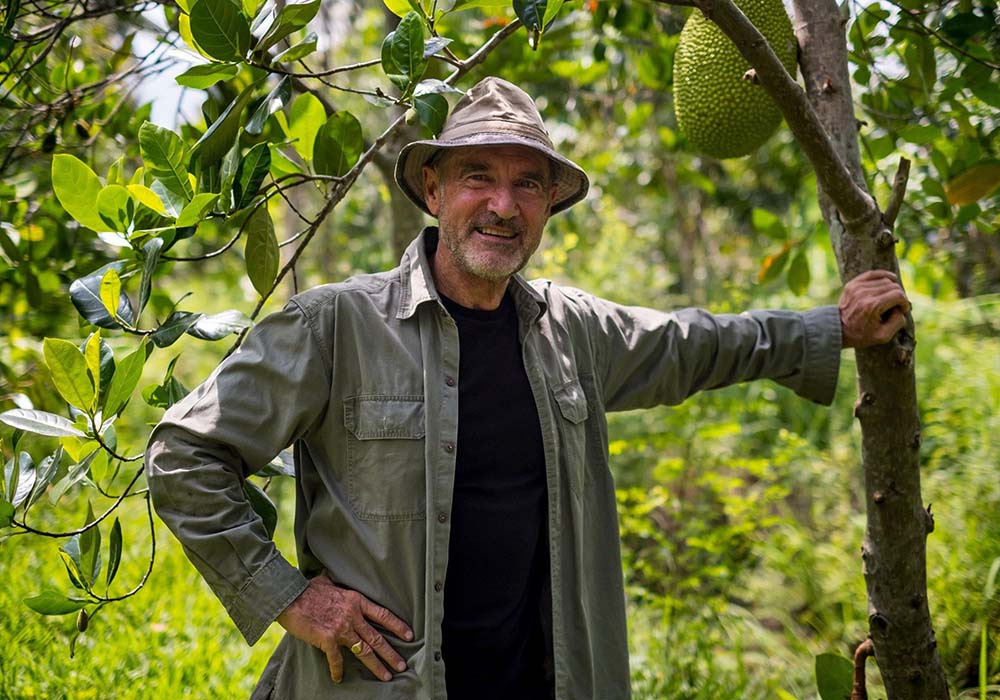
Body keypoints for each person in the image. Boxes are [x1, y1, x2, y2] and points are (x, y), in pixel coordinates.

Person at [145, 76, 909, 700]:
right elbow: (184, 454)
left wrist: (833, 328)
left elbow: (697, 343)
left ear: (548, 205)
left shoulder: (571, 332)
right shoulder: (337, 326)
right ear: (434, 189)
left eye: (528, 185)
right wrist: (290, 598)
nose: (504, 206)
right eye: (478, 176)